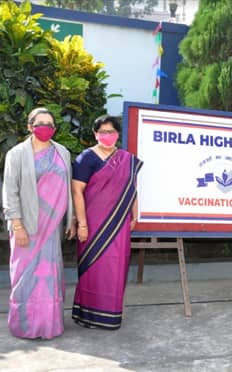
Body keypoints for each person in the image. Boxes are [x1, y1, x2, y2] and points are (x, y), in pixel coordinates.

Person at [2, 107, 75, 339]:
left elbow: (68, 188)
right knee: (25, 277)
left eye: (50, 123)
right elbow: (9, 191)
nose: (46, 127)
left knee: (48, 275)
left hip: (52, 227)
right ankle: (24, 325)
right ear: (29, 126)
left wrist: (71, 217)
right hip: (27, 226)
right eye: (40, 123)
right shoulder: (17, 154)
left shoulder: (62, 152)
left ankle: (48, 324)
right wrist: (18, 225)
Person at [71, 115, 143, 329]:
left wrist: (135, 214)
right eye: (102, 132)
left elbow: (132, 189)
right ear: (95, 134)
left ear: (117, 134)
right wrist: (82, 224)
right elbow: (77, 191)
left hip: (119, 222)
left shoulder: (126, 159)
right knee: (92, 269)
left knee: (116, 267)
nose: (107, 136)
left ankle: (110, 315)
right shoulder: (86, 158)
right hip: (92, 225)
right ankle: (89, 316)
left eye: (111, 132)